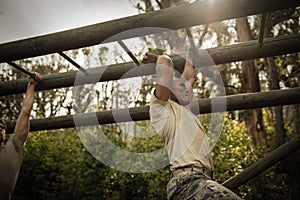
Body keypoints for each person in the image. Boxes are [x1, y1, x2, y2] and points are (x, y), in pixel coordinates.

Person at [142, 50, 242, 200]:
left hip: (203, 181)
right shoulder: (163, 110)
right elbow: (166, 63)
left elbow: (190, 77)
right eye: (180, 87)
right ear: (169, 91)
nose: (186, 88)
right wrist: (158, 58)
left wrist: (189, 56)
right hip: (187, 182)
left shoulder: (188, 112)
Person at [0, 72, 42, 200]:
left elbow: (25, 112)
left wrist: (31, 85)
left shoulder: (12, 148)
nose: (0, 128)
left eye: (2, 127)